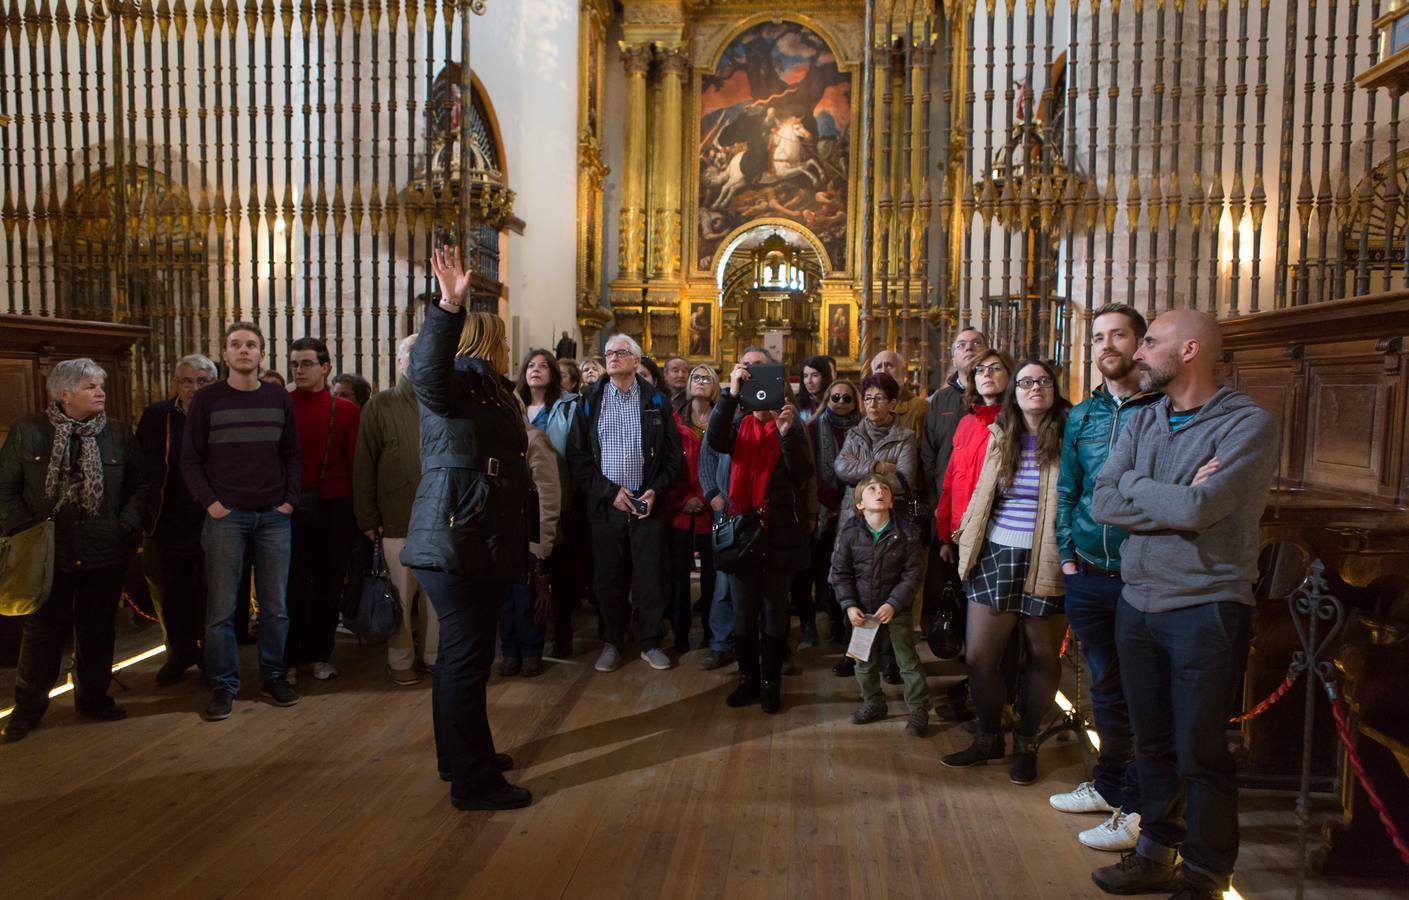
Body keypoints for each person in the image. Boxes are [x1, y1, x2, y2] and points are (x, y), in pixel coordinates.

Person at [1090, 309, 1278, 900]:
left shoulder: (1247, 424)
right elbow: (1101, 502)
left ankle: (1204, 873)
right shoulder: (1145, 421)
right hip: (1138, 602)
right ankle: (1154, 851)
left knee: (1202, 752)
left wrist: (1141, 490)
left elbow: (1203, 510)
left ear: (1191, 349)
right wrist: (1170, 495)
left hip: (1206, 606)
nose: (1138, 352)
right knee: (1153, 746)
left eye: (1150, 341)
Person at [402, 246, 532, 812]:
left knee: (465, 658)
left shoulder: (488, 390)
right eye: (501, 341)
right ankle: (473, 781)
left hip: (471, 534)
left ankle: (459, 757)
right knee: (464, 657)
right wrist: (448, 305)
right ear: (486, 342)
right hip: (456, 534)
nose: (509, 349)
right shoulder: (452, 381)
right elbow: (425, 369)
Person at [1049, 304, 1161, 853]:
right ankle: (1111, 785)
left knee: (1145, 696)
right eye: (1097, 337)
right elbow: (1069, 489)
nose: (1105, 345)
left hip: (1144, 575)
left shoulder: (1163, 408)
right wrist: (1068, 558)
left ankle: (1138, 807)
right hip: (1090, 570)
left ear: (1141, 344)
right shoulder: (1082, 417)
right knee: (1105, 690)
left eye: (1118, 334)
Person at [0, 358, 149, 742]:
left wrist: (126, 525)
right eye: (90, 387)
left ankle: (93, 698)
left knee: (98, 630)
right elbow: (6, 489)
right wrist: (25, 529)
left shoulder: (117, 433)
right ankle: (28, 709)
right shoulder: (29, 432)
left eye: (101, 385)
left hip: (104, 547)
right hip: (50, 552)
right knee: (42, 633)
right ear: (63, 394)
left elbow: (141, 486)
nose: (101, 392)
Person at [940, 359, 1070, 787]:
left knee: (1042, 656)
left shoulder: (1070, 435)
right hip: (997, 550)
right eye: (1027, 382)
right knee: (979, 657)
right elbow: (981, 492)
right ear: (1014, 391)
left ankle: (1028, 743)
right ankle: (990, 735)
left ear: (1054, 389)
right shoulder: (1002, 434)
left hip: (1046, 555)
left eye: (1044, 381)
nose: (1035, 388)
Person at [182, 322, 302, 722]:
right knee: (221, 609)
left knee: (276, 606)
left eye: (251, 344)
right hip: (226, 516)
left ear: (262, 353)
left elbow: (292, 455)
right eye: (236, 344)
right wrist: (212, 504)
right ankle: (224, 685)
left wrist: (289, 501)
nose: (243, 350)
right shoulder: (207, 400)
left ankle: (273, 675)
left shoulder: (278, 398)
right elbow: (191, 459)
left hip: (273, 515)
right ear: (225, 353)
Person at [566, 333, 682, 673]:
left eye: (621, 352)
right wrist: (609, 493)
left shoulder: (656, 400)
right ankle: (612, 641)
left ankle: (649, 641)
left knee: (649, 579)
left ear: (636, 360)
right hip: (607, 507)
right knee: (608, 578)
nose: (613, 358)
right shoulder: (590, 400)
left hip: (646, 504)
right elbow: (579, 457)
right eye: (608, 353)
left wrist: (654, 490)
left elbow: (673, 460)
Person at [707, 358, 814, 714]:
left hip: (780, 534)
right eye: (754, 390)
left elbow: (802, 473)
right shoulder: (737, 426)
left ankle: (771, 684)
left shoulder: (793, 427)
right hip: (741, 533)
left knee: (773, 613)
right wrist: (730, 396)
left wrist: (786, 433)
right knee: (742, 614)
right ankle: (747, 680)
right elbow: (715, 439)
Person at [353, 333, 438, 686]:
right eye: (411, 354)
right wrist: (368, 518)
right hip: (396, 518)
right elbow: (364, 464)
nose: (419, 359)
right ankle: (401, 661)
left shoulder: (442, 401)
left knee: (436, 601)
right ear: (400, 362)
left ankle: (434, 657)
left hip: (438, 521)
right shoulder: (381, 405)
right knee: (400, 597)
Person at [833, 371, 920, 684]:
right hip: (854, 520)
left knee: (886, 584)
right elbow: (841, 468)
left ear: (893, 402)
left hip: (889, 522)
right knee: (855, 587)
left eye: (879, 398)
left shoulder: (905, 437)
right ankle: (853, 654)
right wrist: (877, 468)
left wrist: (868, 480)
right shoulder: (856, 434)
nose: (872, 404)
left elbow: (904, 478)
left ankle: (891, 660)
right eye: (867, 397)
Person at [137, 353, 218, 686]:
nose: (193, 388)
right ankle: (180, 654)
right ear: (176, 383)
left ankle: (213, 659)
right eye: (186, 381)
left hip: (214, 520)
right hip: (168, 521)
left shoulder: (222, 412)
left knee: (213, 595)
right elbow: (142, 467)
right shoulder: (158, 416)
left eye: (202, 381)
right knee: (172, 595)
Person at [921, 328, 989, 718]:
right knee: (952, 591)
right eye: (962, 345)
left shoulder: (998, 398)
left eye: (976, 344)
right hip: (950, 512)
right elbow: (930, 454)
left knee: (982, 599)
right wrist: (938, 510)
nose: (969, 350)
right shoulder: (941, 401)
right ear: (952, 356)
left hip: (989, 515)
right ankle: (960, 663)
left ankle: (980, 676)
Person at [285, 337, 361, 681]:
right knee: (292, 584)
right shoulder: (282, 405)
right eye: (294, 364)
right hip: (290, 506)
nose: (299, 370)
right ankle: (288, 656)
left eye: (306, 363)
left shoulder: (345, 410)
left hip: (335, 504)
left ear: (325, 367)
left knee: (329, 584)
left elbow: (354, 462)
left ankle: (318, 653)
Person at [830, 475, 930, 737]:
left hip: (896, 609)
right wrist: (850, 605)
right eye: (872, 489)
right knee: (862, 662)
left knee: (907, 660)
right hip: (862, 611)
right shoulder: (851, 533)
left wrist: (894, 604)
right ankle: (873, 702)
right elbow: (840, 573)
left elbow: (913, 574)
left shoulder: (906, 532)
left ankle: (919, 709)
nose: (880, 491)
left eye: (884, 488)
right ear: (859, 504)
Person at [514, 348, 579, 659]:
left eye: (543, 366)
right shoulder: (513, 406)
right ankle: (525, 637)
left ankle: (562, 635)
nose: (535, 370)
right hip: (519, 503)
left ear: (552, 373)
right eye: (531, 366)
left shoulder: (567, 408)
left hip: (556, 497)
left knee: (558, 574)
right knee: (523, 577)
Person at [663, 364, 719, 655]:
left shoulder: (723, 422)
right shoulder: (673, 422)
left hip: (713, 509)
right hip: (681, 509)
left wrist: (709, 497)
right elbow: (668, 467)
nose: (699, 382)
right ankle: (680, 634)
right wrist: (683, 498)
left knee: (712, 576)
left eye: (706, 377)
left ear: (715, 387)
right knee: (679, 577)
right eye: (695, 377)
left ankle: (713, 633)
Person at [499, 422, 562, 677]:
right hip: (501, 537)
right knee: (505, 602)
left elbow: (547, 494)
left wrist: (542, 542)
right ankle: (510, 652)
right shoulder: (493, 438)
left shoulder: (534, 440)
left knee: (527, 599)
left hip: (527, 535)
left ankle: (531, 653)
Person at [809, 378, 861, 665]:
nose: (841, 402)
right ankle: (833, 619)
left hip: (855, 509)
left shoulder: (864, 429)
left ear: (855, 402)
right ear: (827, 400)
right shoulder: (813, 428)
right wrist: (830, 503)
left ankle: (849, 627)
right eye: (836, 397)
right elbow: (811, 470)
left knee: (851, 571)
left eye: (847, 398)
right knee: (826, 569)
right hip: (823, 510)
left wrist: (847, 503)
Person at [869, 350, 928, 439]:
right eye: (878, 367)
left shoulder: (920, 407)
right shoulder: (869, 408)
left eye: (889, 365)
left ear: (903, 371)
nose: (884, 371)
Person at [796, 355, 836, 423]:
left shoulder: (835, 401)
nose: (809, 381)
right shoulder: (797, 402)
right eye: (805, 376)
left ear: (824, 377)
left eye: (814, 375)